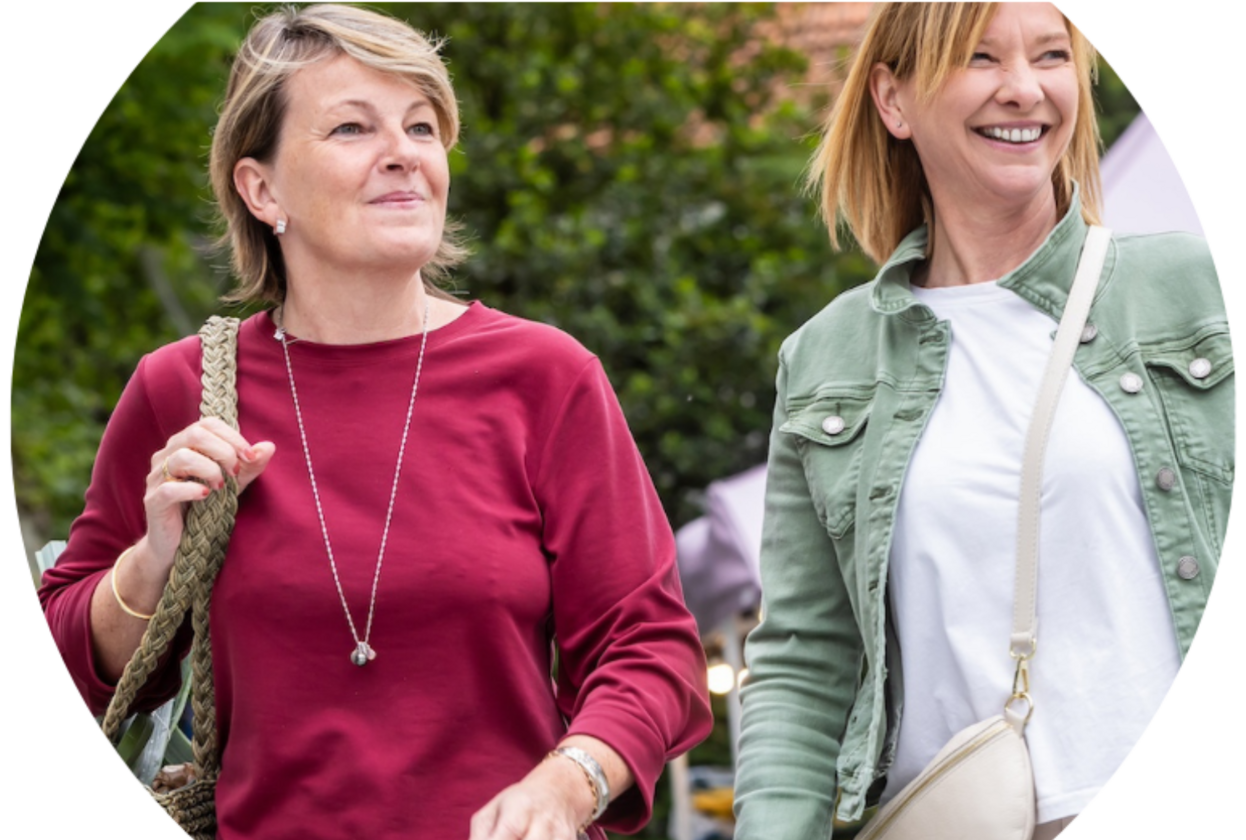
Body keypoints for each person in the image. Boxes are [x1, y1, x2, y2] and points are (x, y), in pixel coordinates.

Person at [37, 5, 712, 838]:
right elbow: (75, 658)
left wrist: (568, 784)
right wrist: (152, 563)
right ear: (261, 188)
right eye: (353, 127)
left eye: (423, 127)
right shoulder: (181, 388)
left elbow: (651, 651)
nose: (404, 153)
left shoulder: (546, 377)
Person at [733, 1, 1230, 838]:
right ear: (893, 101)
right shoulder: (828, 361)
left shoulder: (1188, 290)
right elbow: (803, 665)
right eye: (980, 58)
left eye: (1048, 57)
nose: (1023, 90)